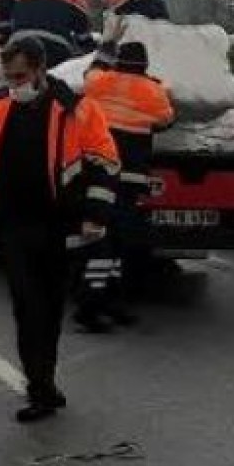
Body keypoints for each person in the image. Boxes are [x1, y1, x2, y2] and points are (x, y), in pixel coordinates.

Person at [0, 37, 120, 423]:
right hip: (14, 226)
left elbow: (104, 163)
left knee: (49, 309)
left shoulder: (76, 110)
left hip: (57, 225)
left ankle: (45, 383)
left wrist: (95, 216)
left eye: (20, 75)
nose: (14, 83)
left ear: (40, 69)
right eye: (9, 77)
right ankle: (38, 387)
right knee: (27, 307)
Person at [78, 41, 175, 329]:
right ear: (145, 66)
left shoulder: (100, 82)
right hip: (131, 176)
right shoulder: (154, 91)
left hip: (101, 173)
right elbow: (166, 120)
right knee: (117, 241)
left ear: (118, 62)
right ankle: (96, 305)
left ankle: (103, 303)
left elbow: (89, 75)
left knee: (105, 239)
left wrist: (104, 53)